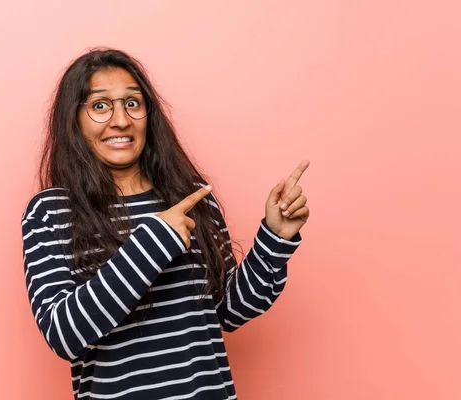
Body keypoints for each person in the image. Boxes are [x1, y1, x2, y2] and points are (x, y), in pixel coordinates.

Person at [21, 48, 310, 400]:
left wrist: (274, 239)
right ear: (74, 119)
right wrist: (155, 240)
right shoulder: (51, 211)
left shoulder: (189, 198)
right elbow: (64, 335)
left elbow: (227, 311)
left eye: (132, 103)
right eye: (100, 106)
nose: (121, 120)